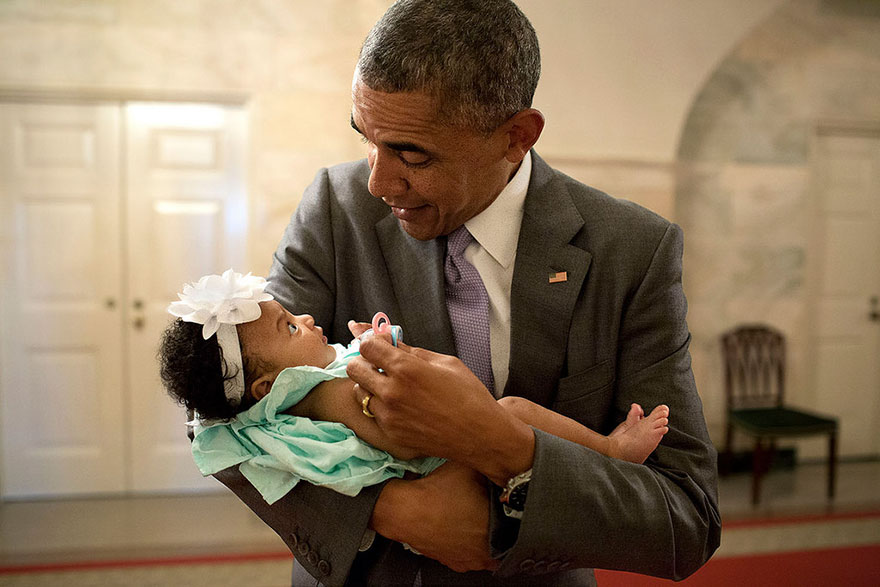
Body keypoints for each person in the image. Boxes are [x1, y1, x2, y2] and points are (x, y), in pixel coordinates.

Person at [263, 0, 721, 584]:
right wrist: (389, 510)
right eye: (367, 139)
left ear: (516, 137)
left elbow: (686, 517)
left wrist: (506, 446)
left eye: (411, 153)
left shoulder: (632, 250)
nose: (377, 181)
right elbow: (224, 396)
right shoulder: (334, 208)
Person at [159, 270, 670, 505]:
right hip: (441, 460)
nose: (308, 318)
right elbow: (394, 431)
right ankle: (609, 451)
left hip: (444, 449)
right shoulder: (321, 392)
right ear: (267, 385)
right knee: (513, 409)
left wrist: (371, 348)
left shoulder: (307, 382)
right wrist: (382, 364)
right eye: (290, 327)